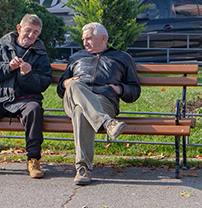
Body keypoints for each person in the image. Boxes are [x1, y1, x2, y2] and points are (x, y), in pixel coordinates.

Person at [57, 22, 141, 186]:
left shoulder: (122, 58)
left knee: (81, 112)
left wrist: (120, 89)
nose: (84, 43)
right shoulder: (76, 58)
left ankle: (83, 170)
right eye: (83, 39)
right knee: (75, 85)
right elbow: (61, 88)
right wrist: (66, 83)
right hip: (72, 98)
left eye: (88, 38)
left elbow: (134, 91)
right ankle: (107, 123)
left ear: (103, 38)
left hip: (104, 100)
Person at [0, 14, 52, 178]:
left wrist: (28, 75)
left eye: (35, 32)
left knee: (34, 109)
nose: (31, 35)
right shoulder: (1, 46)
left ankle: (33, 160)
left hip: (25, 100)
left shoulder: (40, 53)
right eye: (28, 30)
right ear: (19, 29)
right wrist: (8, 67)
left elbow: (43, 83)